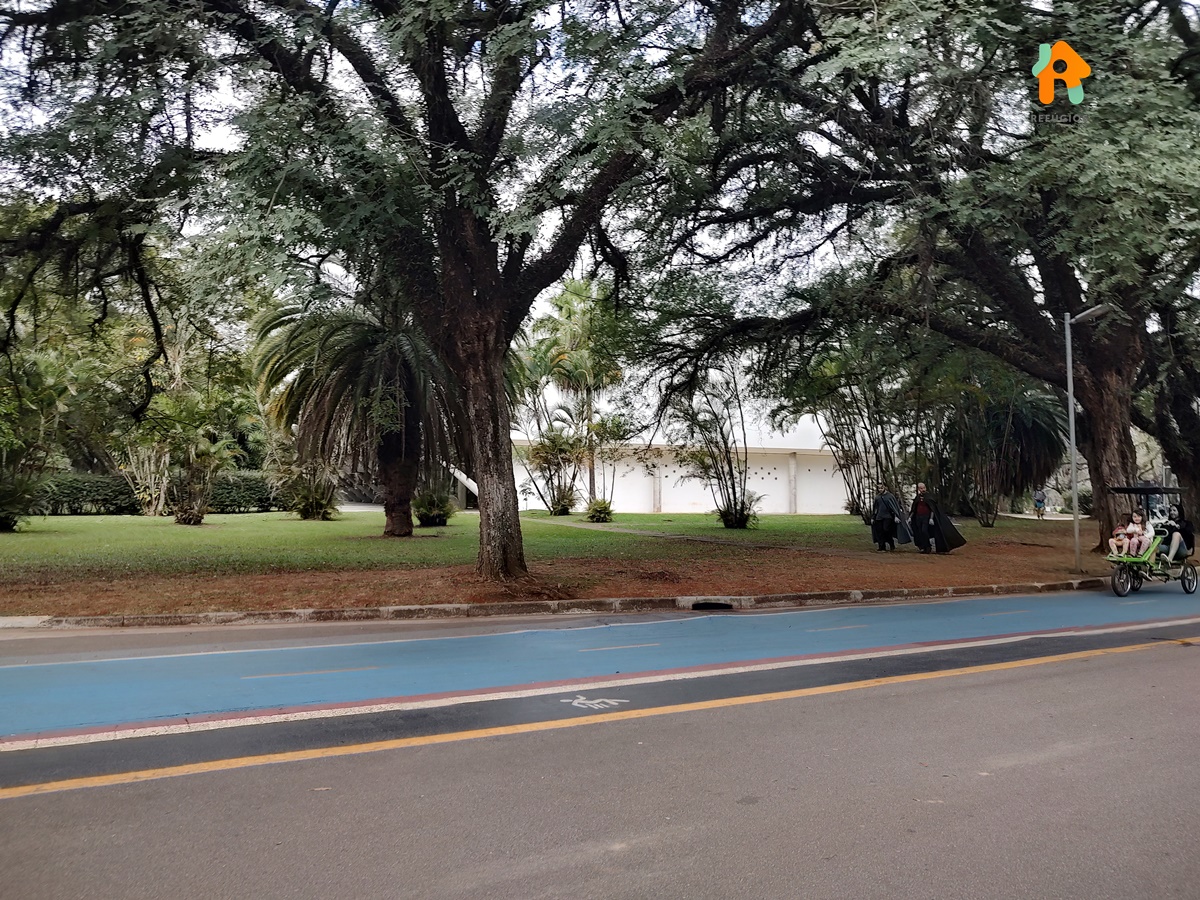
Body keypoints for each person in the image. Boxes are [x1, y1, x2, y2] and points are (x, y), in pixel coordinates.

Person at [871, 483, 911, 551]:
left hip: (888, 516)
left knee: (886, 530)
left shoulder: (890, 496)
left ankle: (891, 543)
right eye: (879, 488)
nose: (880, 490)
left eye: (881, 488)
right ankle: (881, 546)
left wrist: (896, 516)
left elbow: (894, 507)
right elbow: (875, 508)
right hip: (879, 516)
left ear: (884, 488)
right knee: (880, 531)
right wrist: (873, 517)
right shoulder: (877, 497)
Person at [910, 483, 935, 554]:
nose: (923, 489)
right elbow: (914, 509)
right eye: (921, 488)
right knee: (919, 532)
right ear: (918, 489)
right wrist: (910, 517)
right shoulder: (917, 497)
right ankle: (923, 547)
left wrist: (931, 518)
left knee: (924, 531)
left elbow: (932, 508)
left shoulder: (929, 497)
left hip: (926, 517)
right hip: (918, 517)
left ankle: (928, 546)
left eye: (924, 488)